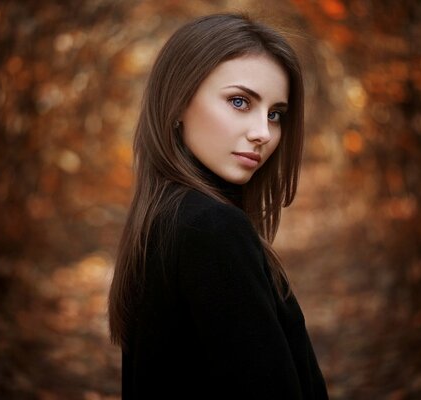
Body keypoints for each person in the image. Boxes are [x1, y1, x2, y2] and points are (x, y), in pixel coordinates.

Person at [108, 13, 329, 399]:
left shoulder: (162, 217)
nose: (263, 132)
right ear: (177, 102)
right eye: (240, 101)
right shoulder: (211, 228)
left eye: (275, 114)